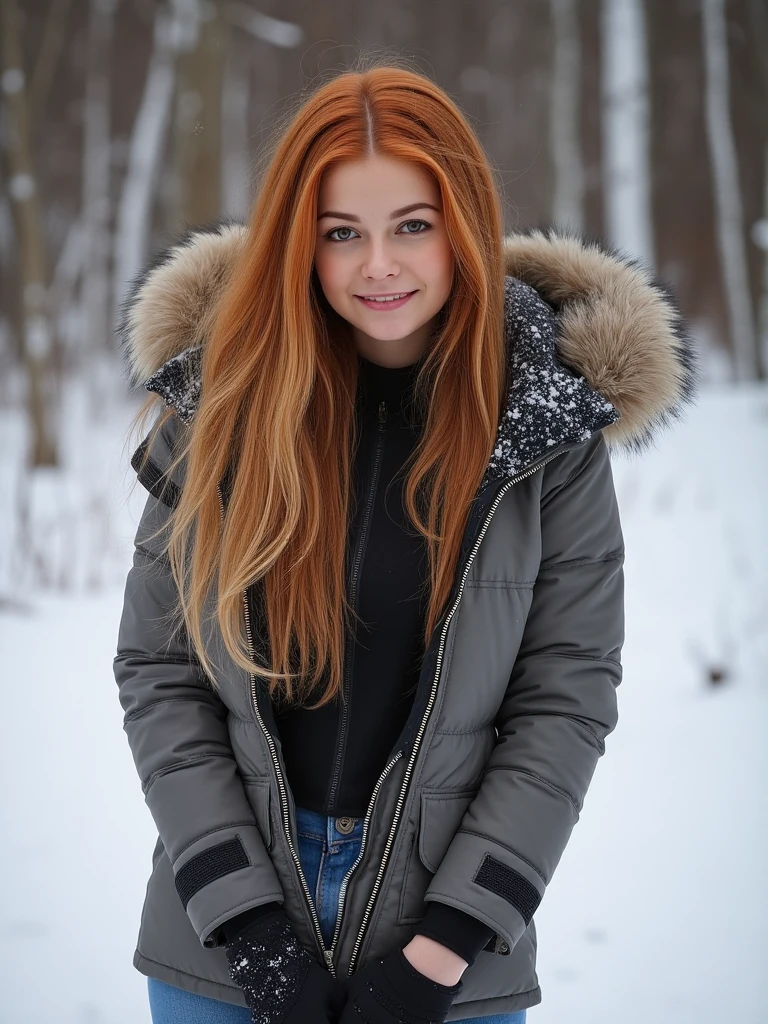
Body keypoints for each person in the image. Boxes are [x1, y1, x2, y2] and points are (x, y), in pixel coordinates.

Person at [114, 61, 698, 1024]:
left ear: (461, 223)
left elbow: (566, 699)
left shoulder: (545, 430)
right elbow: (159, 670)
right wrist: (248, 927)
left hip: (448, 947)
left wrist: (443, 950)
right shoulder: (221, 407)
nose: (378, 265)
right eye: (342, 233)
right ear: (301, 245)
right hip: (220, 938)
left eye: (411, 226)